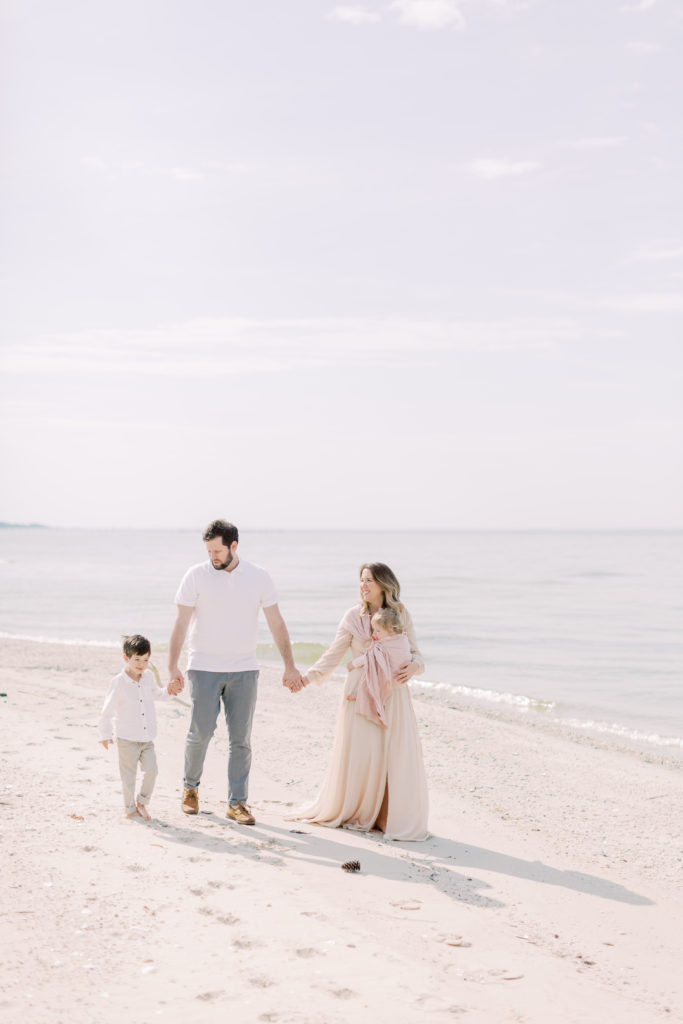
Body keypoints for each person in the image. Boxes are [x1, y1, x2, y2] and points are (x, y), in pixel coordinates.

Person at [169, 519, 303, 825]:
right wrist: (172, 666)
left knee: (241, 739)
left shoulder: (259, 577)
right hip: (203, 665)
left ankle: (237, 803)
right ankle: (190, 789)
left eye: (217, 550)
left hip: (244, 668)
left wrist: (290, 666)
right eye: (208, 550)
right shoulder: (196, 575)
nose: (212, 556)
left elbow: (276, 622)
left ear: (234, 546)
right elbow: (180, 623)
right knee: (200, 732)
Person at [291, 562, 429, 842]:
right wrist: (308, 677)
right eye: (361, 580)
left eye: (369, 581)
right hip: (360, 692)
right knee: (363, 754)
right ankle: (358, 810)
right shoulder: (353, 616)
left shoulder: (401, 614)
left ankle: (386, 816)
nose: (363, 586)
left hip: (394, 693)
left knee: (393, 755)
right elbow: (335, 653)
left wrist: (414, 667)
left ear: (384, 584)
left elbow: (416, 654)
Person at [99, 634, 176, 820]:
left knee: (152, 770)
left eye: (146, 660)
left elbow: (158, 695)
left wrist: (170, 691)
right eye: (137, 660)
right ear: (126, 658)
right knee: (129, 776)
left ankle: (142, 801)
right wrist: (105, 734)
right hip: (126, 738)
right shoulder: (118, 683)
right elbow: (106, 711)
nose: (141, 664)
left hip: (147, 737)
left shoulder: (148, 677)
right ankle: (130, 808)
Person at [345, 606, 413, 727]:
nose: (374, 634)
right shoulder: (402, 638)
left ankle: (360, 695)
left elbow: (369, 657)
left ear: (391, 631)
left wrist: (353, 664)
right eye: (374, 630)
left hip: (392, 678)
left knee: (371, 668)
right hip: (402, 679)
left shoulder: (385, 644)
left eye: (378, 631)